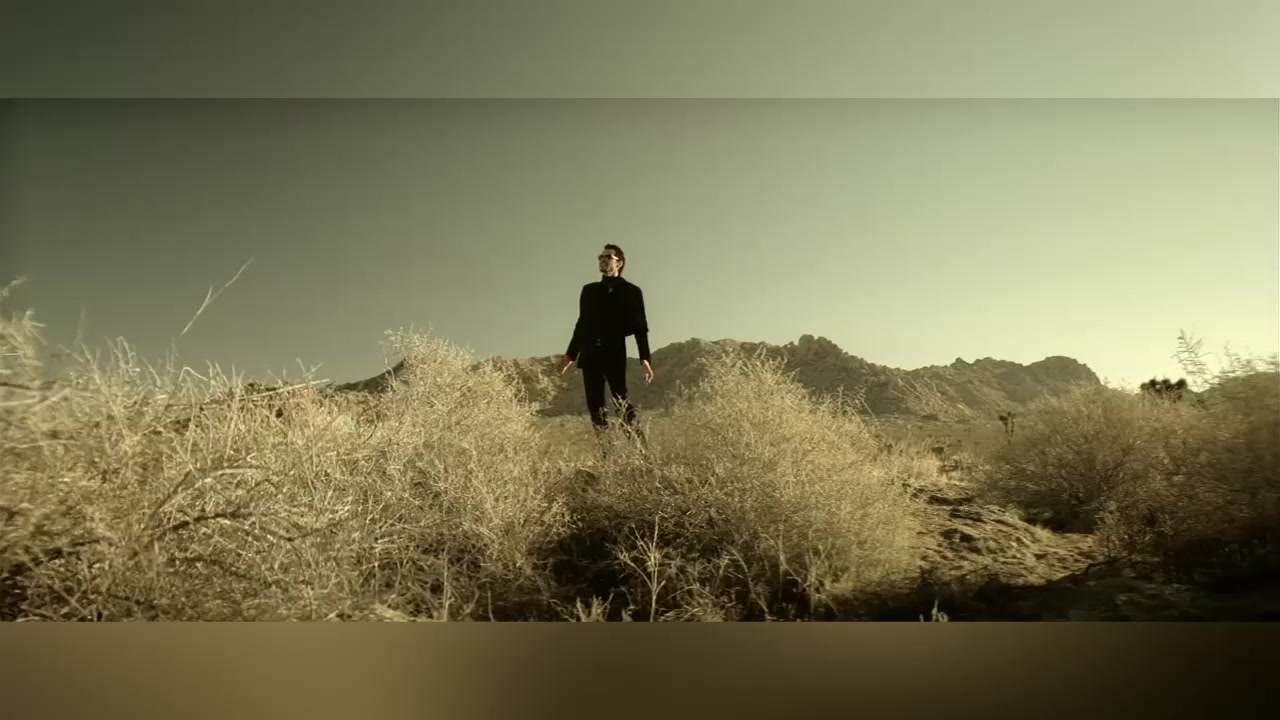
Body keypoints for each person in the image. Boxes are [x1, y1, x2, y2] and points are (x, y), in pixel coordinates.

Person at [557, 244, 654, 443]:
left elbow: (640, 328)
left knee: (621, 403)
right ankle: (607, 455)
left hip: (614, 354)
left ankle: (642, 452)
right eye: (600, 257)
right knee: (596, 410)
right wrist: (570, 355)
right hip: (590, 355)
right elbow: (582, 324)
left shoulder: (631, 291)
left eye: (608, 257)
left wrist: (644, 359)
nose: (603, 259)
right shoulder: (589, 290)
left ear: (619, 262)